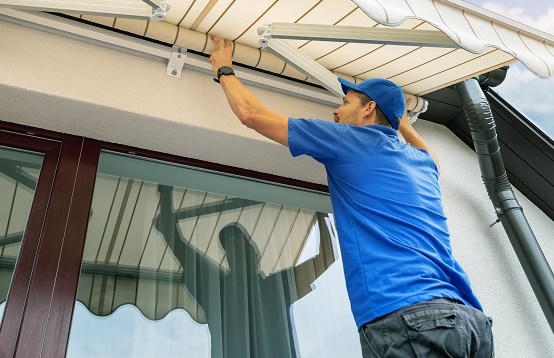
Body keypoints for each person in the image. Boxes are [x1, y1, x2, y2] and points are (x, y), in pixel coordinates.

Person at [208, 35, 494, 358]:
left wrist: (224, 69)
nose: (336, 110)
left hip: (408, 319)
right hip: (471, 324)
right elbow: (429, 153)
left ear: (369, 109)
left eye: (346, 103)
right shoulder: (423, 165)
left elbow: (250, 114)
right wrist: (400, 121)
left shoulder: (348, 141)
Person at [153, 185, 334, 358]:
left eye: (239, 246)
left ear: (255, 253)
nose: (236, 252)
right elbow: (173, 238)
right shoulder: (218, 288)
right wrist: (166, 190)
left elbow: (327, 258)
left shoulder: (277, 286)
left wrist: (320, 206)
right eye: (231, 249)